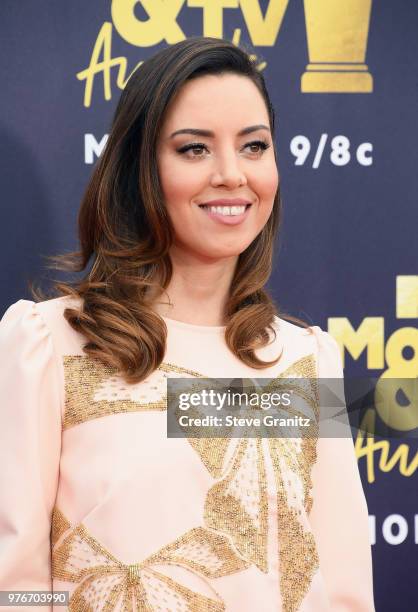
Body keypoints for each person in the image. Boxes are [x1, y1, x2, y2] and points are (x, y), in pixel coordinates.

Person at [0, 37, 375, 611]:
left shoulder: (306, 361)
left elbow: (344, 590)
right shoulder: (50, 345)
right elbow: (14, 586)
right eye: (194, 149)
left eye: (254, 145)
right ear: (139, 167)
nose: (231, 174)